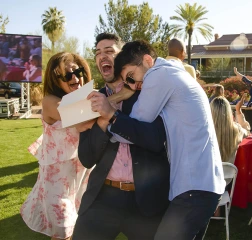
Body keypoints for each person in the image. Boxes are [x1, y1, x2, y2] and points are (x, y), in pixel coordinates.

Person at [89, 40, 226, 240]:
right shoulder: (174, 72)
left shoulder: (158, 75)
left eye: (131, 77)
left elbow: (132, 125)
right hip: (202, 185)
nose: (135, 86)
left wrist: (109, 114)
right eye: (128, 82)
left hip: (193, 187)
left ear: (146, 60)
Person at [72, 33, 170, 240]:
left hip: (146, 201)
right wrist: (102, 119)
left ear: (123, 58)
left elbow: (156, 141)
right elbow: (87, 158)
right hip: (103, 199)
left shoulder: (147, 93)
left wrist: (113, 114)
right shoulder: (91, 101)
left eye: (109, 51)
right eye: (98, 53)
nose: (102, 57)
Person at [20, 52, 93, 240]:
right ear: (55, 79)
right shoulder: (50, 101)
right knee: (63, 232)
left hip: (81, 177)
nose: (75, 77)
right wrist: (124, 93)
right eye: (68, 75)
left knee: (77, 229)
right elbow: (85, 119)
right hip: (57, 182)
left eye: (78, 71)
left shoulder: (84, 99)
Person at [210, 95, 249, 163]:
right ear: (228, 112)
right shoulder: (237, 130)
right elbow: (247, 132)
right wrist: (238, 111)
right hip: (229, 172)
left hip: (211, 172)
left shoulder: (206, 132)